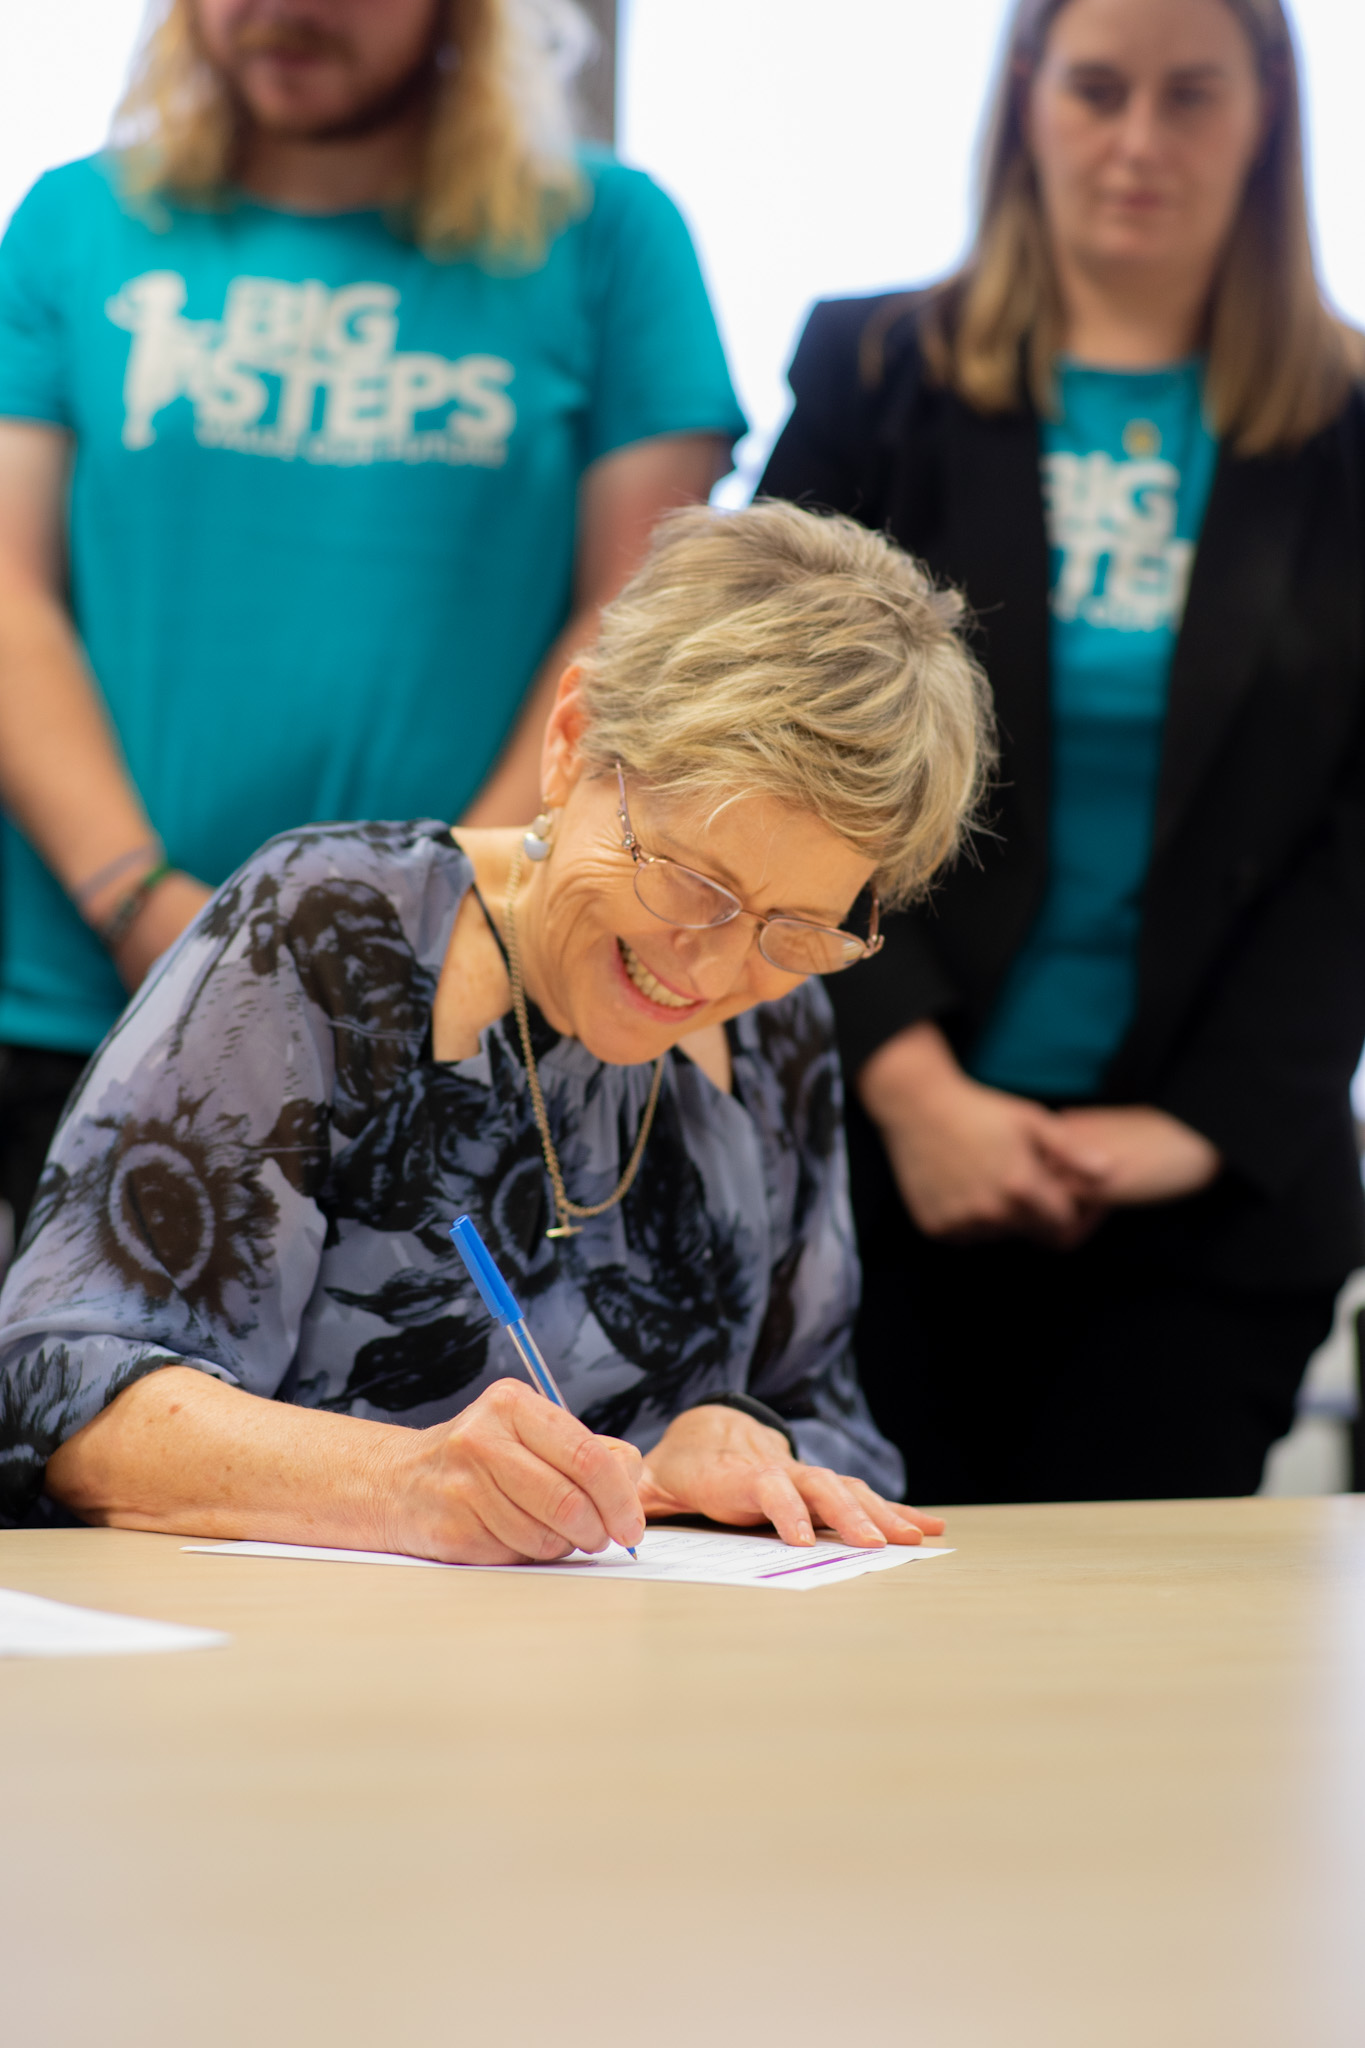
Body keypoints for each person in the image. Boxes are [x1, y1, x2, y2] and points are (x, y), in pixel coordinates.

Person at [0, 502, 989, 1559]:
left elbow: (831, 1413)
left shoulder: (778, 1020)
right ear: (572, 745)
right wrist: (405, 1480)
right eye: (689, 880)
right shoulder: (333, 934)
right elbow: (55, 1378)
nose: (707, 969)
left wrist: (743, 1438)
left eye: (795, 925)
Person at [0, 0, 744, 1239]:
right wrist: (145, 910)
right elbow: (8, 592)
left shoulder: (611, 238)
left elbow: (637, 620)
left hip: (441, 1022)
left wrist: (431, 927)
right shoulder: (73, 221)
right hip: (82, 1002)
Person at [761, 0, 1365, 1503]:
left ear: (1268, 113)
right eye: (1097, 89)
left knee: (1136, 1706)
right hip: (868, 1168)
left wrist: (1199, 1131)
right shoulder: (872, 371)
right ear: (1026, 98)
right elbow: (766, 734)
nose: (1138, 142)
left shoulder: (1354, 424)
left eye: (1190, 96)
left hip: (1208, 1203)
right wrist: (910, 1082)